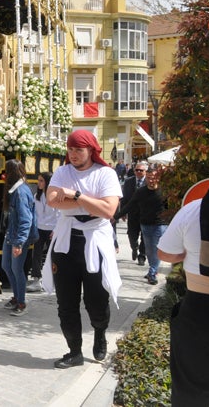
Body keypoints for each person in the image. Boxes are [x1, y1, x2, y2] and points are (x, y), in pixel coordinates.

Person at [43, 130, 122, 369]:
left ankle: (99, 331)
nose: (74, 154)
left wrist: (75, 195)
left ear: (91, 150)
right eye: (70, 149)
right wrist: (90, 203)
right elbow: (52, 200)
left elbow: (109, 211)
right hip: (66, 243)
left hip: (95, 242)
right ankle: (74, 351)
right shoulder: (62, 172)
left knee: (96, 300)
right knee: (66, 302)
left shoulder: (105, 173)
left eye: (79, 149)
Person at [157, 185, 209, 406]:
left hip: (199, 309)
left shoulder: (194, 210)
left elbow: (165, 252)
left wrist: (184, 254)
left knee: (191, 391)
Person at [0, 159, 37, 317]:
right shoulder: (16, 189)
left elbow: (25, 220)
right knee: (6, 266)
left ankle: (21, 302)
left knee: (16, 269)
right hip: (11, 233)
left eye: (6, 171)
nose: (3, 175)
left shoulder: (21, 192)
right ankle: (16, 297)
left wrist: (19, 243)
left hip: (18, 237)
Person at [119, 166, 167, 285]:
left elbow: (171, 207)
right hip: (145, 224)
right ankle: (152, 268)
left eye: (154, 178)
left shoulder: (164, 191)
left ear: (158, 178)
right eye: (149, 178)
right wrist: (115, 217)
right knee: (150, 250)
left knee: (155, 249)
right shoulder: (141, 191)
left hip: (160, 225)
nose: (151, 180)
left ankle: (152, 273)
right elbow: (130, 205)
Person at [28, 171, 59, 293]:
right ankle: (36, 280)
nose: (38, 183)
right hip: (40, 228)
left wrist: (56, 229)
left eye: (41, 180)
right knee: (36, 254)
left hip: (52, 229)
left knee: (53, 256)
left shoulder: (54, 196)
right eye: (38, 180)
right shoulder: (37, 195)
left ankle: (54, 280)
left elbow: (60, 214)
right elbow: (35, 213)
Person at [118, 161, 148, 265]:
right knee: (132, 235)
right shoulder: (128, 181)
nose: (139, 172)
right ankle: (134, 248)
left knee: (145, 236)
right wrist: (122, 212)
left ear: (145, 171)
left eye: (141, 170)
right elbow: (124, 198)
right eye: (137, 170)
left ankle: (142, 256)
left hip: (145, 214)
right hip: (132, 214)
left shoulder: (149, 181)